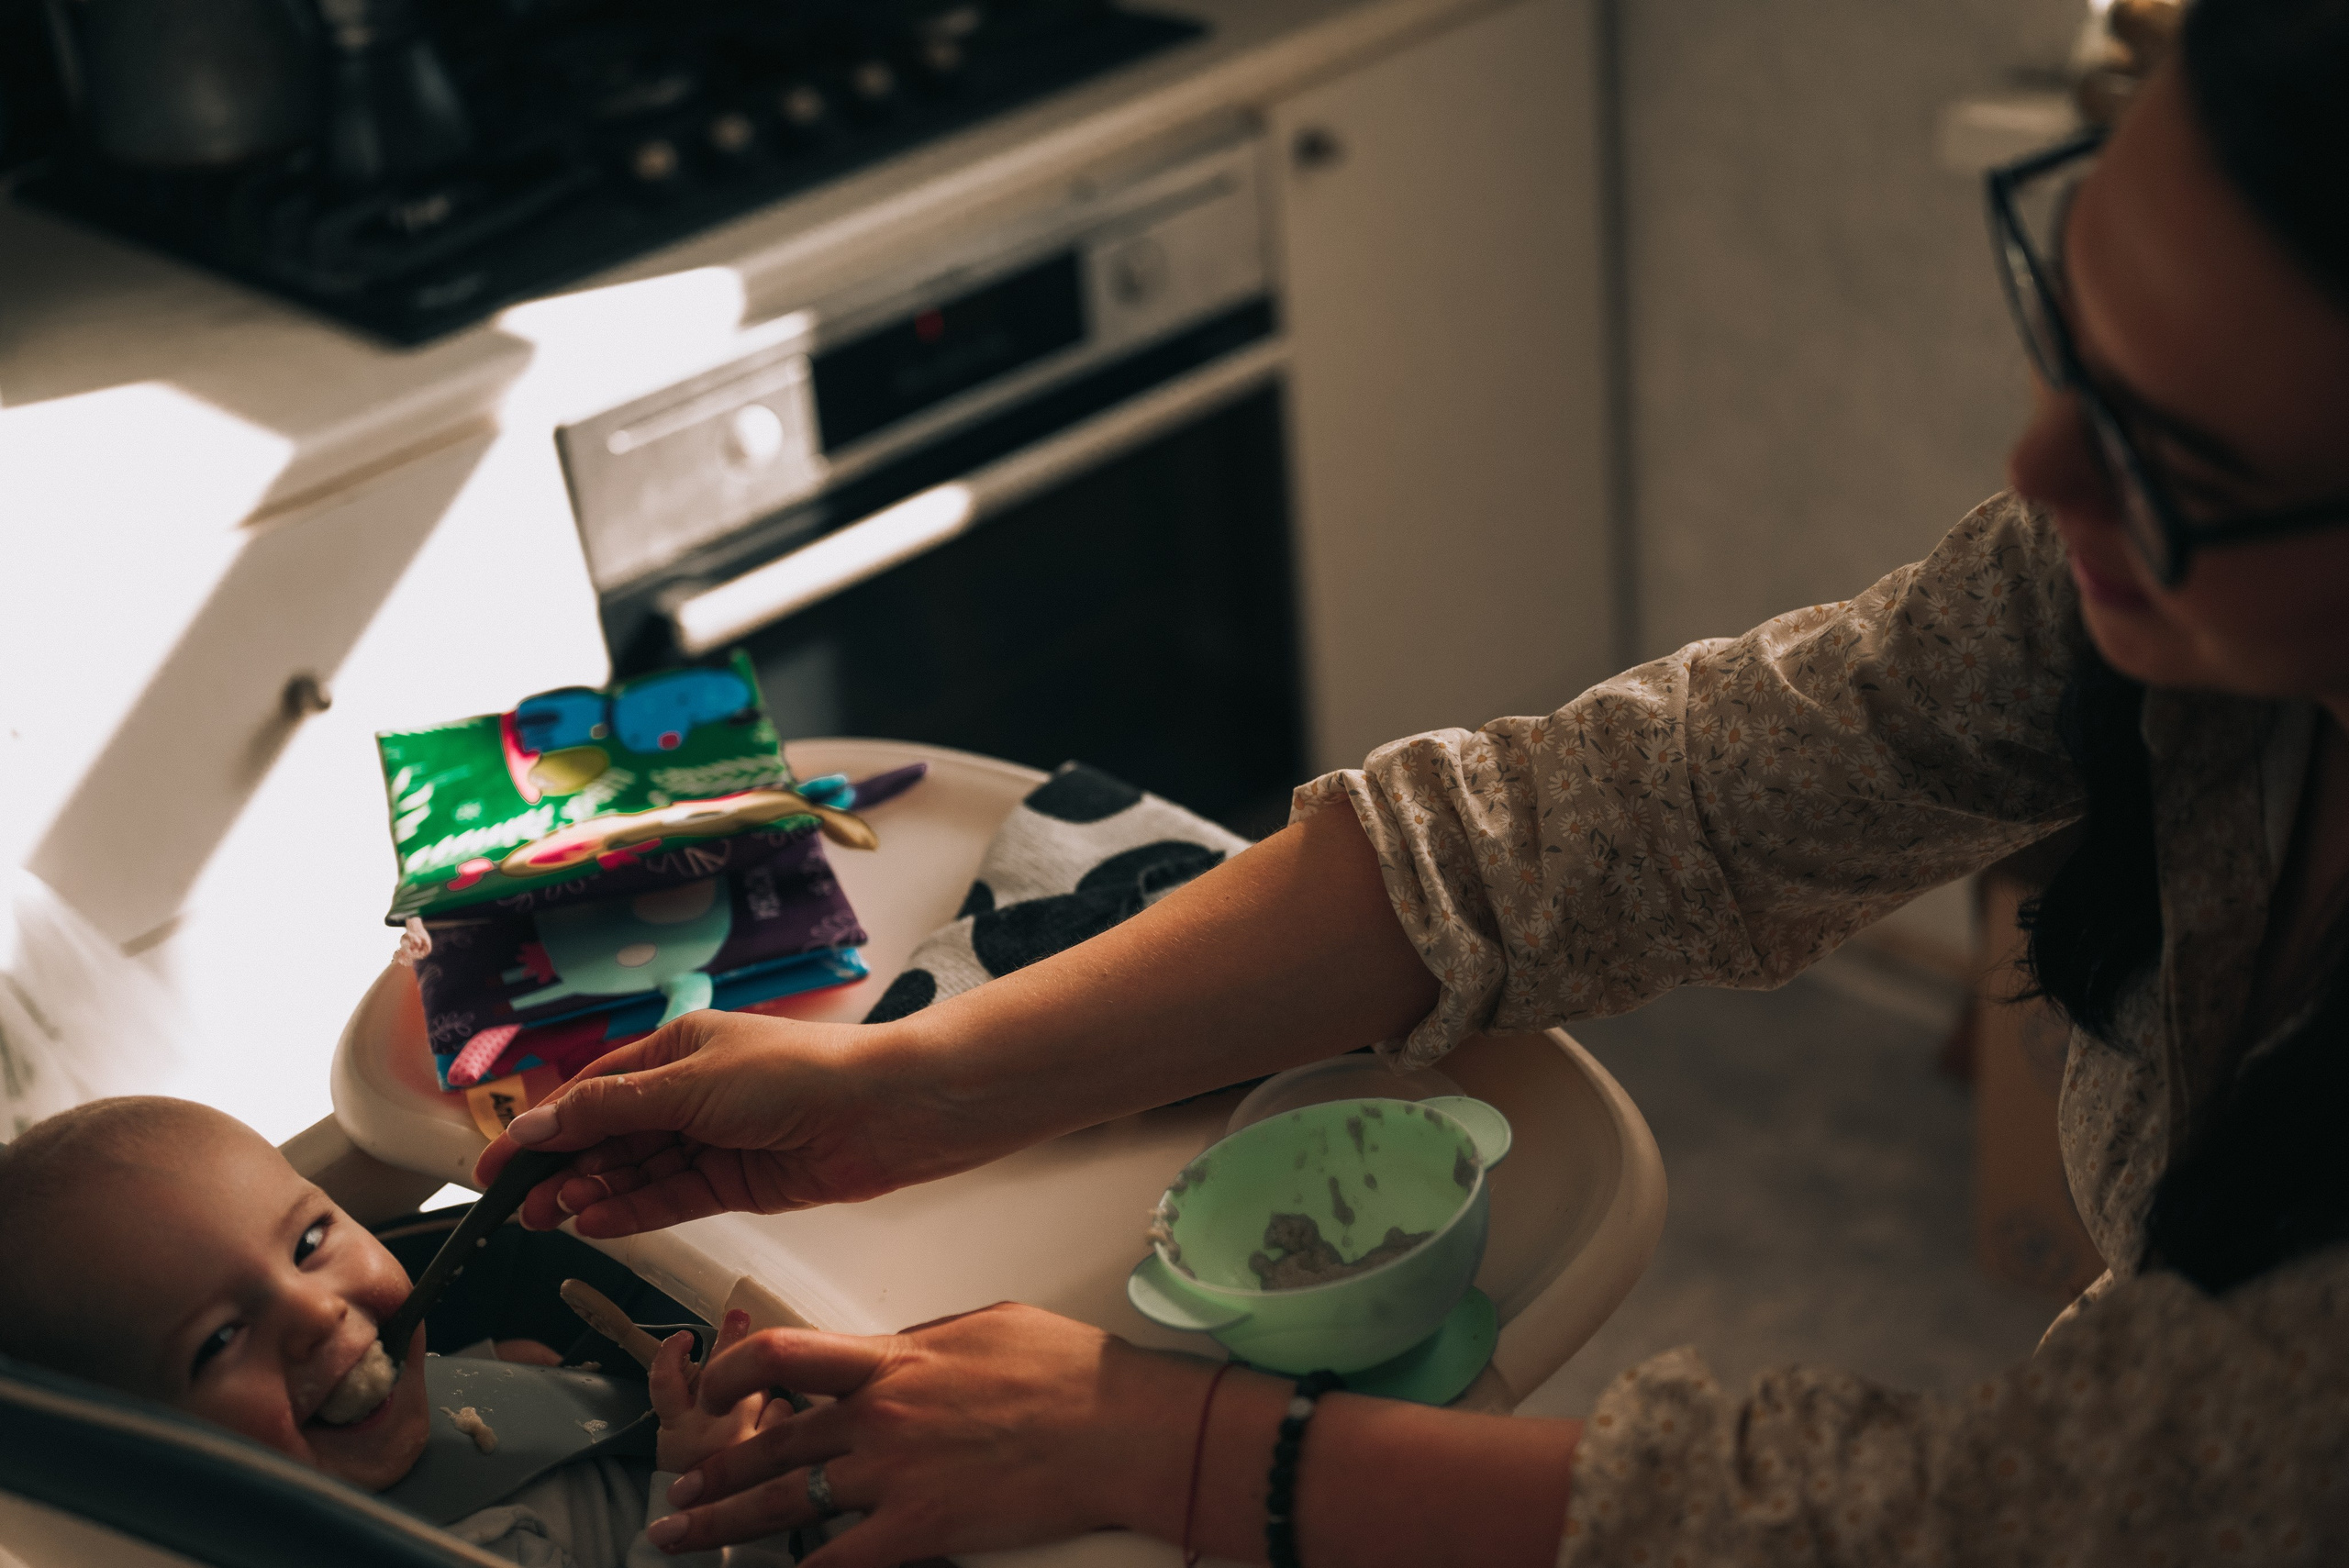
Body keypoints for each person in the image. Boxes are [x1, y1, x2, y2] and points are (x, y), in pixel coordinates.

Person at [476, 3, 2349, 1562]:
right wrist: (908, 1083)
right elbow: (1633, 811)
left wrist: (1172, 1443)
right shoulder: (2123, 583)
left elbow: (1966, 1530)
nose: (2037, 474)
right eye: (2065, 323)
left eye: (2164, 456)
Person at [0, 1097, 778, 1568]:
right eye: (218, 1340)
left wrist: (499, 1371)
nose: (315, 1311)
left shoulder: (347, 1419)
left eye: (309, 1244)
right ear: (158, 1455)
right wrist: (707, 1474)